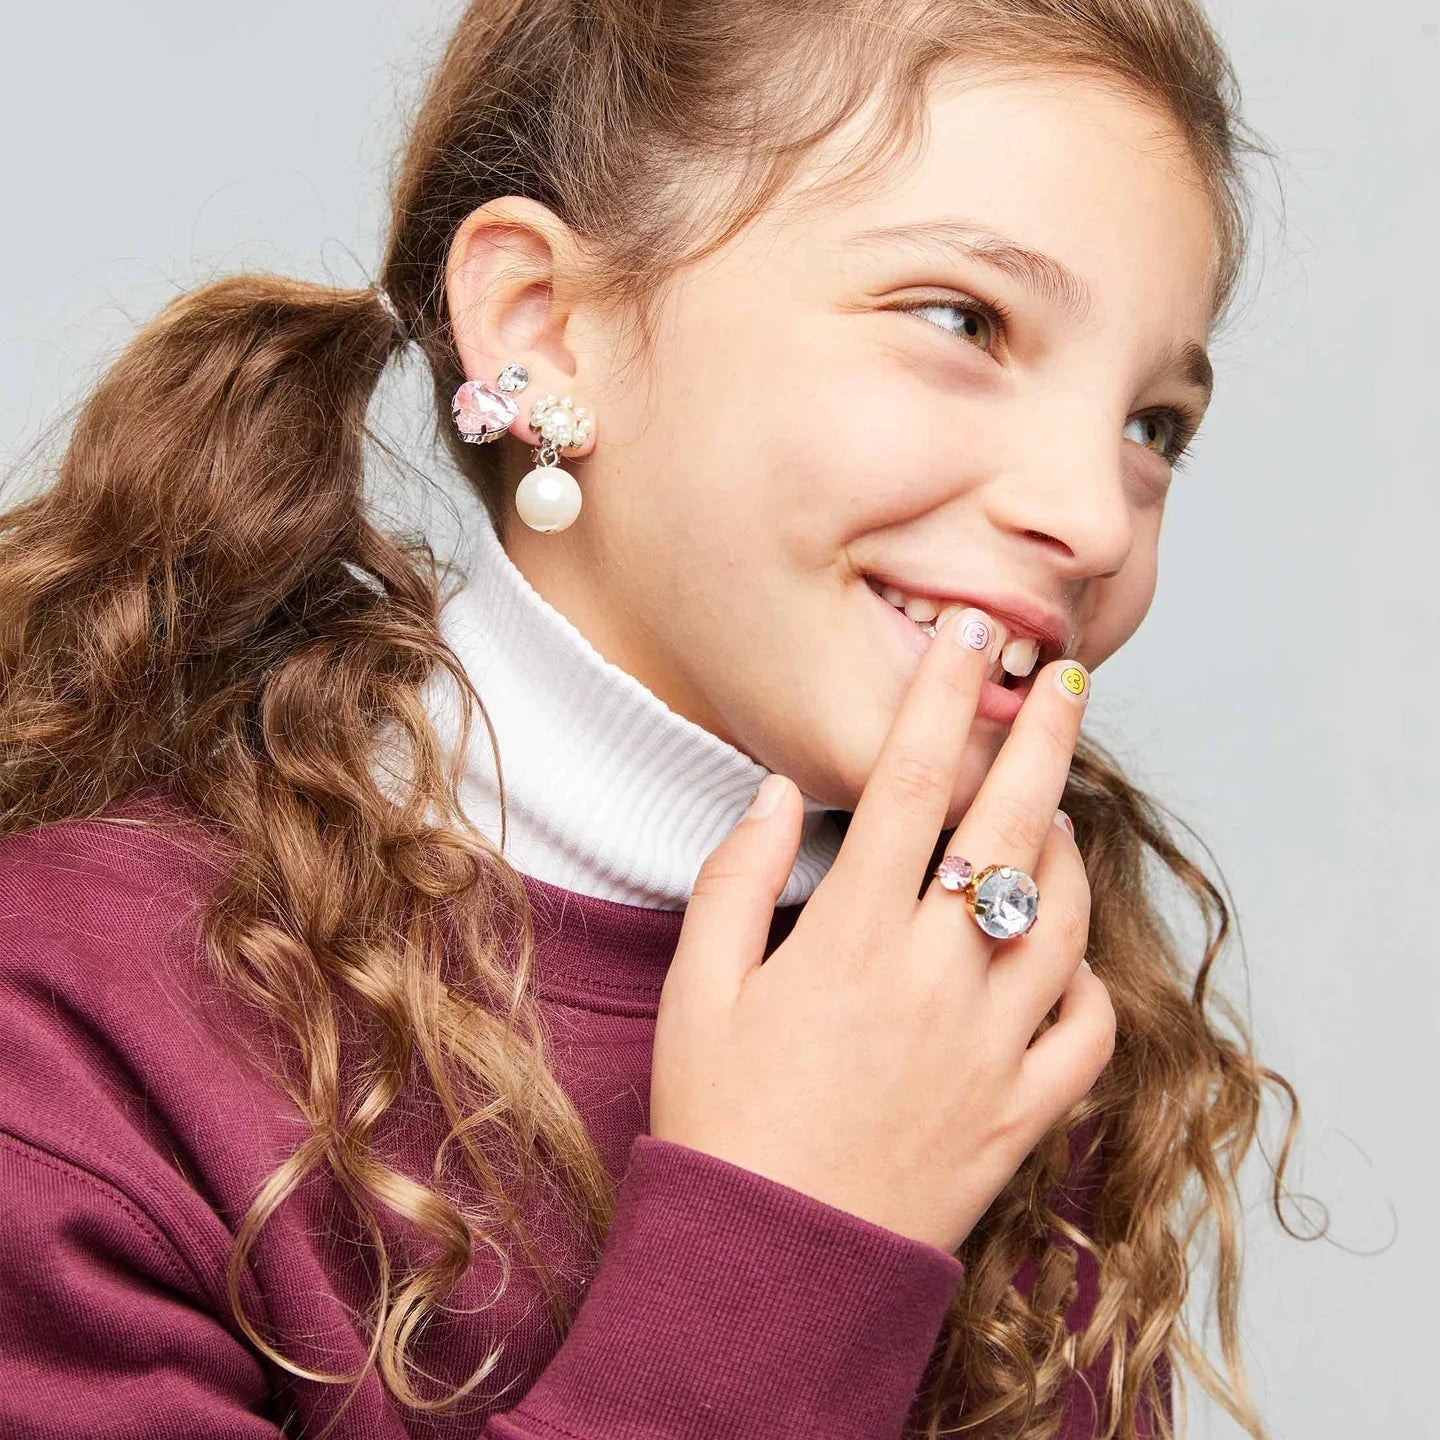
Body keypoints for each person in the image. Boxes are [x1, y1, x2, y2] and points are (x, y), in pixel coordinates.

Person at [0, 1, 1308, 1437]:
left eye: (1154, 425)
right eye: (962, 319)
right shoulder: (67, 1036)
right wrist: (792, 1239)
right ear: (544, 330)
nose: (1089, 518)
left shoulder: (992, 1008)